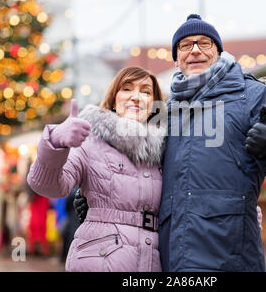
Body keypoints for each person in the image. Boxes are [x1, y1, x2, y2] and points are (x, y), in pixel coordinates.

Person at [75, 14, 266, 272]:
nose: (194, 50)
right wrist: (100, 198)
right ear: (176, 59)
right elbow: (141, 166)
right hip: (174, 256)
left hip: (230, 253)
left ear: (218, 51)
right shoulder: (166, 110)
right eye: (185, 45)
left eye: (204, 43)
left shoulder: (251, 95)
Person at [27, 67, 167, 271]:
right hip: (99, 259)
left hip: (150, 263)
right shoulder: (90, 142)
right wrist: (55, 143)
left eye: (146, 91)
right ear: (113, 99)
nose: (136, 97)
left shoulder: (164, 151)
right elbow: (46, 186)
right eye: (127, 89)